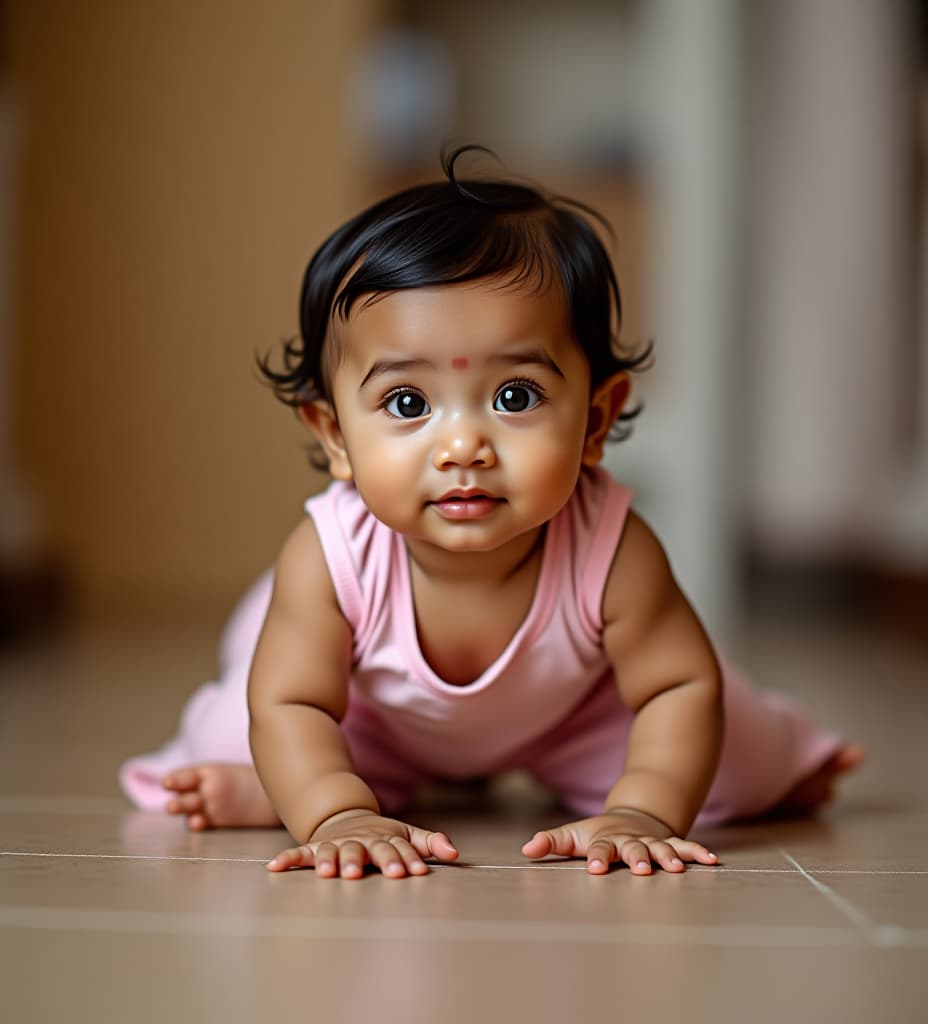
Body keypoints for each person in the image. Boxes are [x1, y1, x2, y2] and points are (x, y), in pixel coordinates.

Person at [120, 146, 863, 880]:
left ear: (597, 420)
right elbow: (293, 700)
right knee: (241, 726)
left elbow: (677, 686)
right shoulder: (330, 556)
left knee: (728, 753)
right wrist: (334, 812)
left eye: (516, 397)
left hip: (569, 721)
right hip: (374, 720)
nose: (464, 446)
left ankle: (791, 748)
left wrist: (644, 809)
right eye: (408, 404)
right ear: (336, 436)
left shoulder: (612, 549)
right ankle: (295, 794)